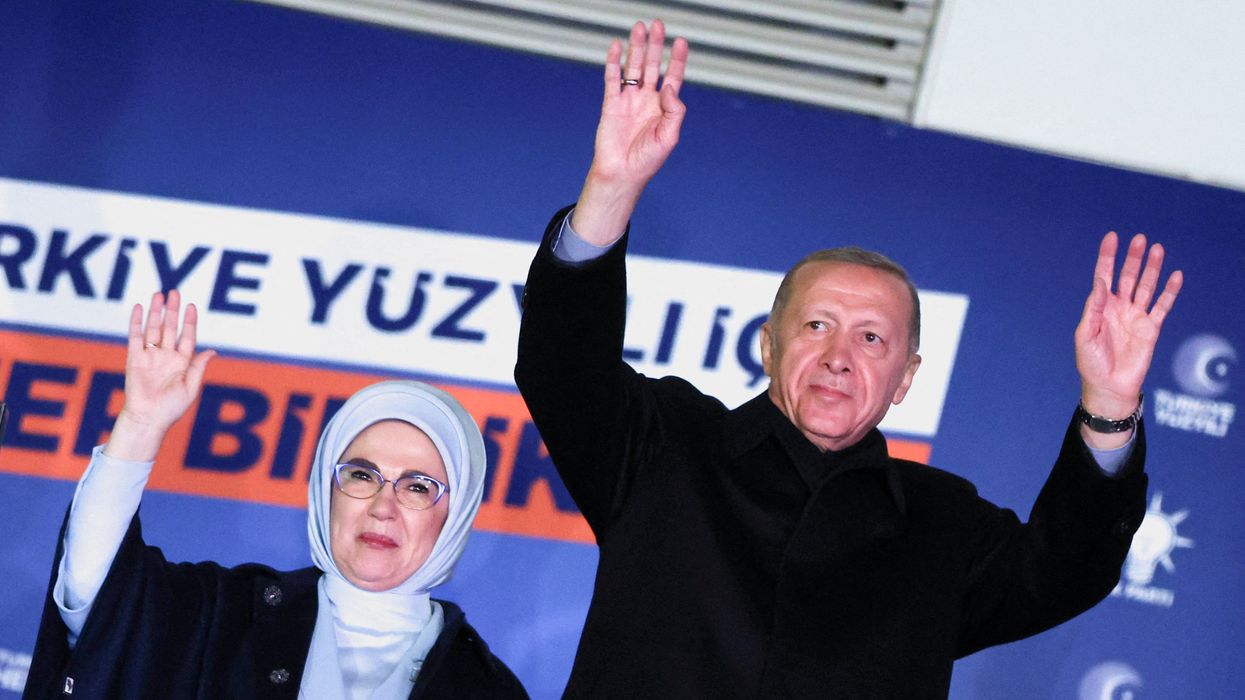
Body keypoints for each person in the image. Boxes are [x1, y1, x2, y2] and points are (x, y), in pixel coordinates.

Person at [513, 19, 1184, 698]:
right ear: (768, 346)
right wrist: (611, 189)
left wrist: (1108, 403)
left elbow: (1067, 569)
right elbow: (560, 364)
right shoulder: (664, 446)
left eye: (871, 338)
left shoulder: (940, 526)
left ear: (905, 379)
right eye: (816, 325)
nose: (838, 356)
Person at [24, 290, 528, 699]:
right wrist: (139, 425)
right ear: (326, 489)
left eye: (418, 486)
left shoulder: (486, 688)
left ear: (455, 515)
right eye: (361, 475)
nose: (382, 506)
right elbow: (96, 592)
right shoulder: (224, 614)